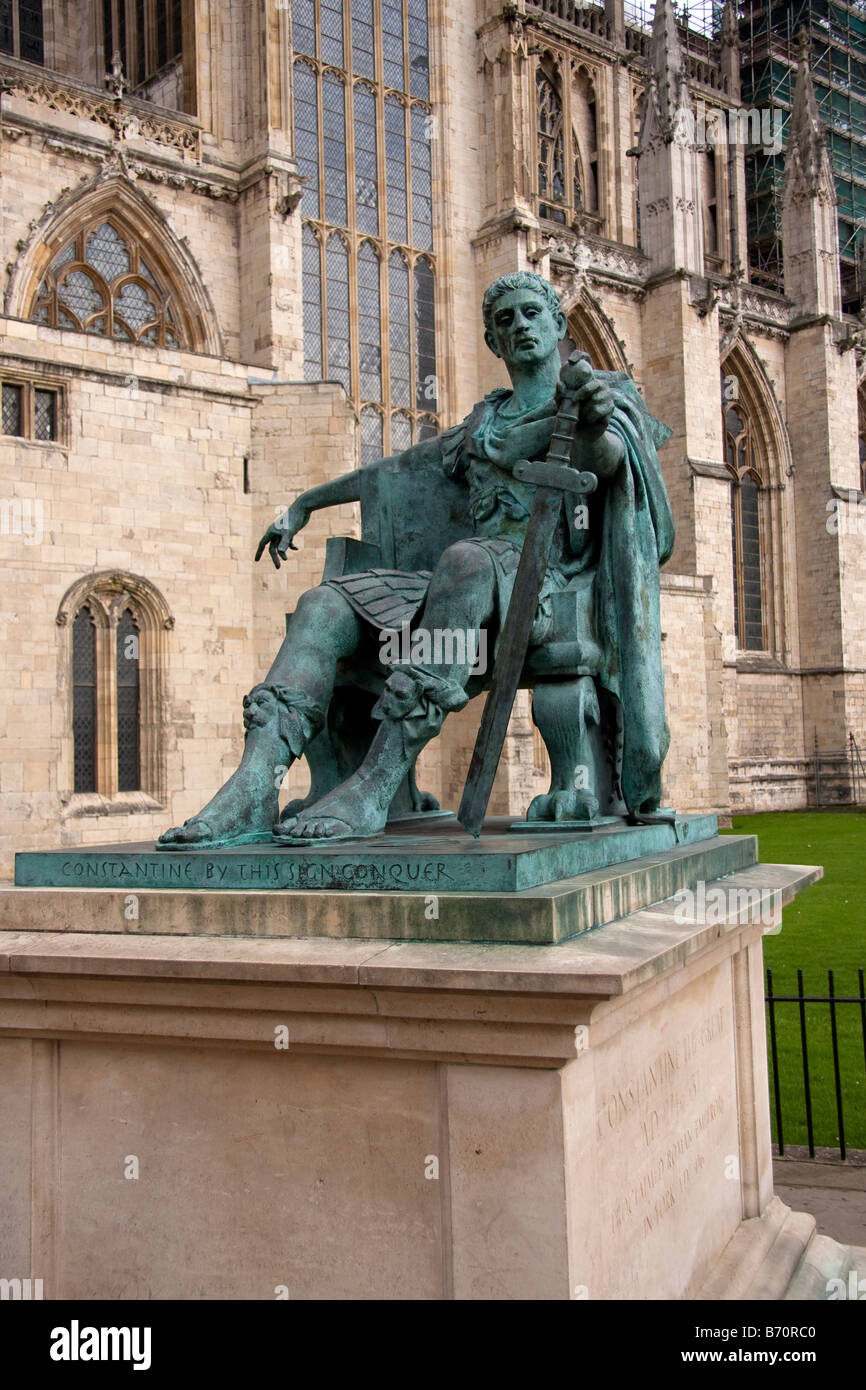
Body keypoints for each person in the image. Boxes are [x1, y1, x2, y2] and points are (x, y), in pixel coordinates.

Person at [158, 271, 673, 849]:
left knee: (466, 562)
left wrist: (597, 422)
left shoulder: (587, 402)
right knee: (323, 605)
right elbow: (392, 472)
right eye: (506, 321)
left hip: (544, 590)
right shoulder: (483, 425)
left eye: (532, 314)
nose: (520, 326)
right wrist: (304, 503)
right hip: (466, 587)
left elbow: (607, 462)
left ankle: (375, 785)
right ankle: (256, 786)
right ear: (493, 343)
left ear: (558, 325)